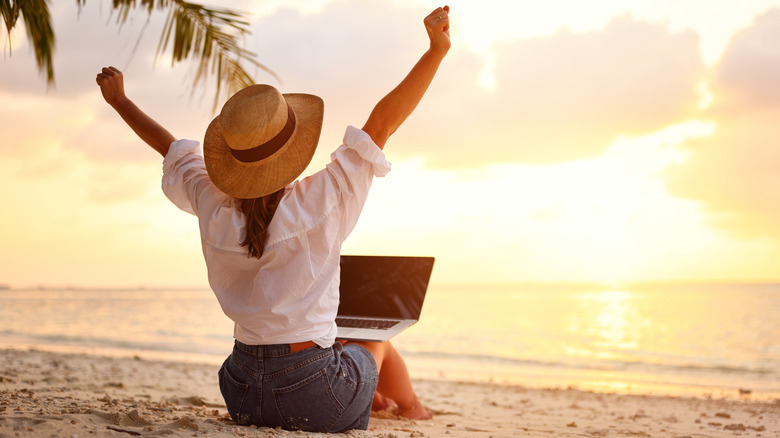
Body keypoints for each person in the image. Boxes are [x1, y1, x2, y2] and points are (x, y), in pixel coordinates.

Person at [95, 5, 450, 433]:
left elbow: (170, 148)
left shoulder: (212, 201)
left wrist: (120, 101)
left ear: (233, 162)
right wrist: (436, 50)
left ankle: (359, 395)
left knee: (339, 354)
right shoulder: (326, 195)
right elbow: (383, 123)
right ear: (292, 155)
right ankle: (413, 411)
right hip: (311, 390)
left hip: (242, 390)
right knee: (374, 343)